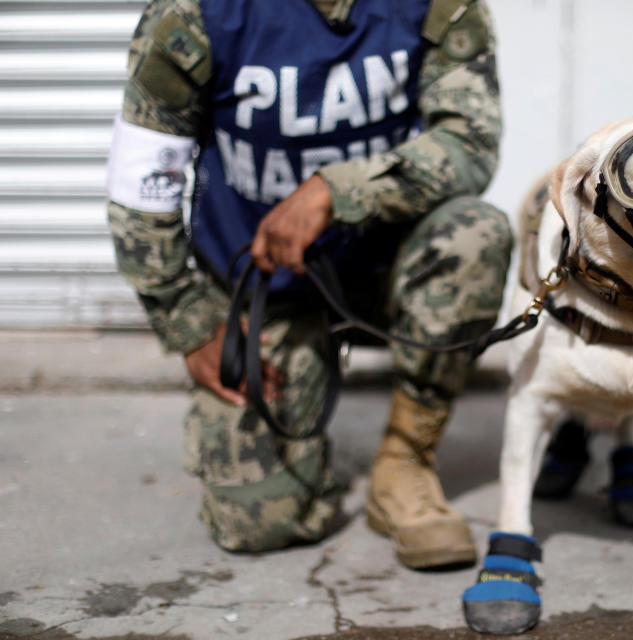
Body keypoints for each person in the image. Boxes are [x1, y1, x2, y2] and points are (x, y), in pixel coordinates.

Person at [106, 0, 511, 570]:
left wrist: (335, 191)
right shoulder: (197, 14)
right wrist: (187, 320)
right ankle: (303, 394)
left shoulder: (435, 6)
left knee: (476, 234)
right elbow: (144, 175)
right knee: (262, 522)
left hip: (384, 267)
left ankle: (404, 463)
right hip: (260, 280)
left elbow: (468, 143)